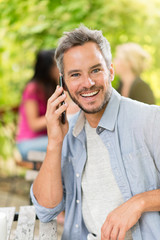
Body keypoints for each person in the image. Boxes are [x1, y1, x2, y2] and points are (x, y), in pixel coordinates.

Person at [30, 25, 160, 240]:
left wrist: (139, 202)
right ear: (63, 83)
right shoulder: (68, 134)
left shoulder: (150, 120)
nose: (87, 83)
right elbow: (46, 210)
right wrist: (54, 142)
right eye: (75, 75)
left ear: (110, 71)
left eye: (95, 70)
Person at [16, 49, 59, 161]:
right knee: (66, 143)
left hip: (46, 139)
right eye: (56, 65)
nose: (59, 69)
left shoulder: (51, 87)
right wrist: (60, 114)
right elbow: (33, 124)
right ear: (47, 68)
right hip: (29, 143)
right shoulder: (32, 88)